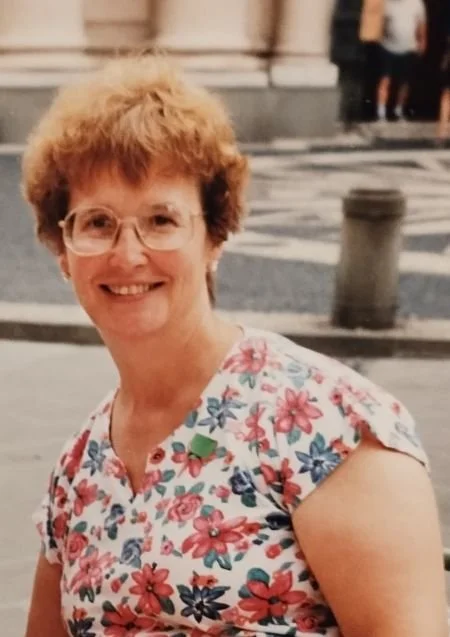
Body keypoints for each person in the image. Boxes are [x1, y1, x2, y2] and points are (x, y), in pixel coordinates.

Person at [22, 55, 448, 637]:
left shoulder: (325, 426)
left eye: (161, 219)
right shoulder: (80, 470)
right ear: (63, 253)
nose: (128, 253)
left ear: (214, 236)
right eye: (97, 222)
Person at [376, 0, 427, 122]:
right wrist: (379, 38)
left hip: (409, 48)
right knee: (385, 80)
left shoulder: (417, 3)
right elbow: (377, 22)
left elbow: (421, 23)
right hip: (388, 47)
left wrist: (423, 41)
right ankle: (381, 113)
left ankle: (398, 110)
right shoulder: (385, 3)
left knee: (404, 82)